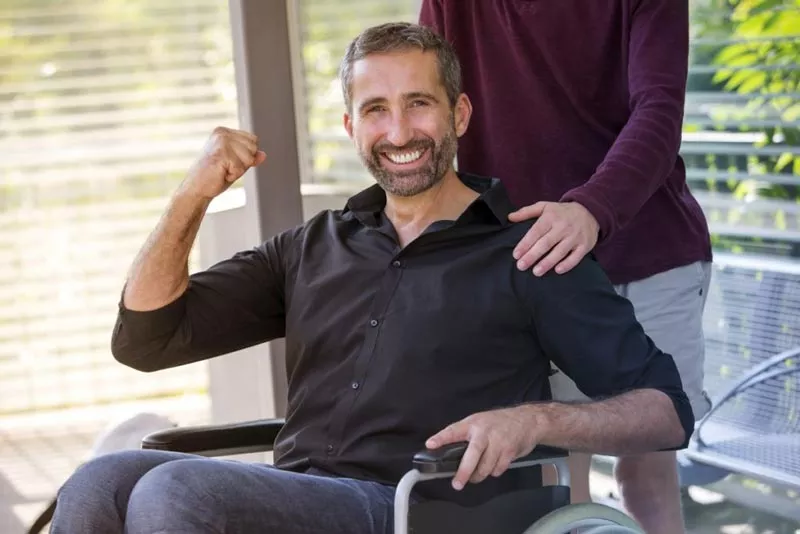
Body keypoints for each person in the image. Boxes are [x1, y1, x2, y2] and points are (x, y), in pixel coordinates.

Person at [51, 22, 693, 534]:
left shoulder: (528, 252)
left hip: (418, 508)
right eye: (376, 110)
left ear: (460, 114)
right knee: (100, 482)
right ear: (351, 127)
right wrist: (195, 193)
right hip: (298, 496)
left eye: (419, 104)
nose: (399, 131)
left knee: (174, 490)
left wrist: (533, 421)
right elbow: (145, 338)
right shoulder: (315, 245)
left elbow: (667, 412)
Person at [418, 2, 713, 533]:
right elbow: (426, 105)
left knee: (648, 470)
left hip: (648, 256)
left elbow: (660, 110)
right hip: (526, 266)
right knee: (551, 478)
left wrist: (592, 208)